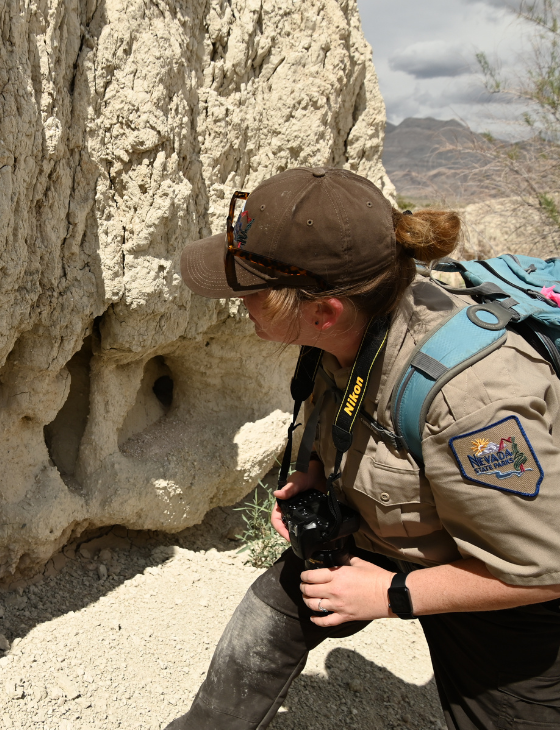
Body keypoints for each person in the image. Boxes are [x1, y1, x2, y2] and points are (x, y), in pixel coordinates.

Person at [169, 167, 560, 730]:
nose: (240, 304)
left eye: (251, 293)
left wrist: (392, 593)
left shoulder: (472, 402)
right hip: (386, 533)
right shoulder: (348, 325)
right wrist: (315, 472)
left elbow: (541, 568)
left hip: (498, 577)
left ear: (323, 311)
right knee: (266, 621)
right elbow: (352, 413)